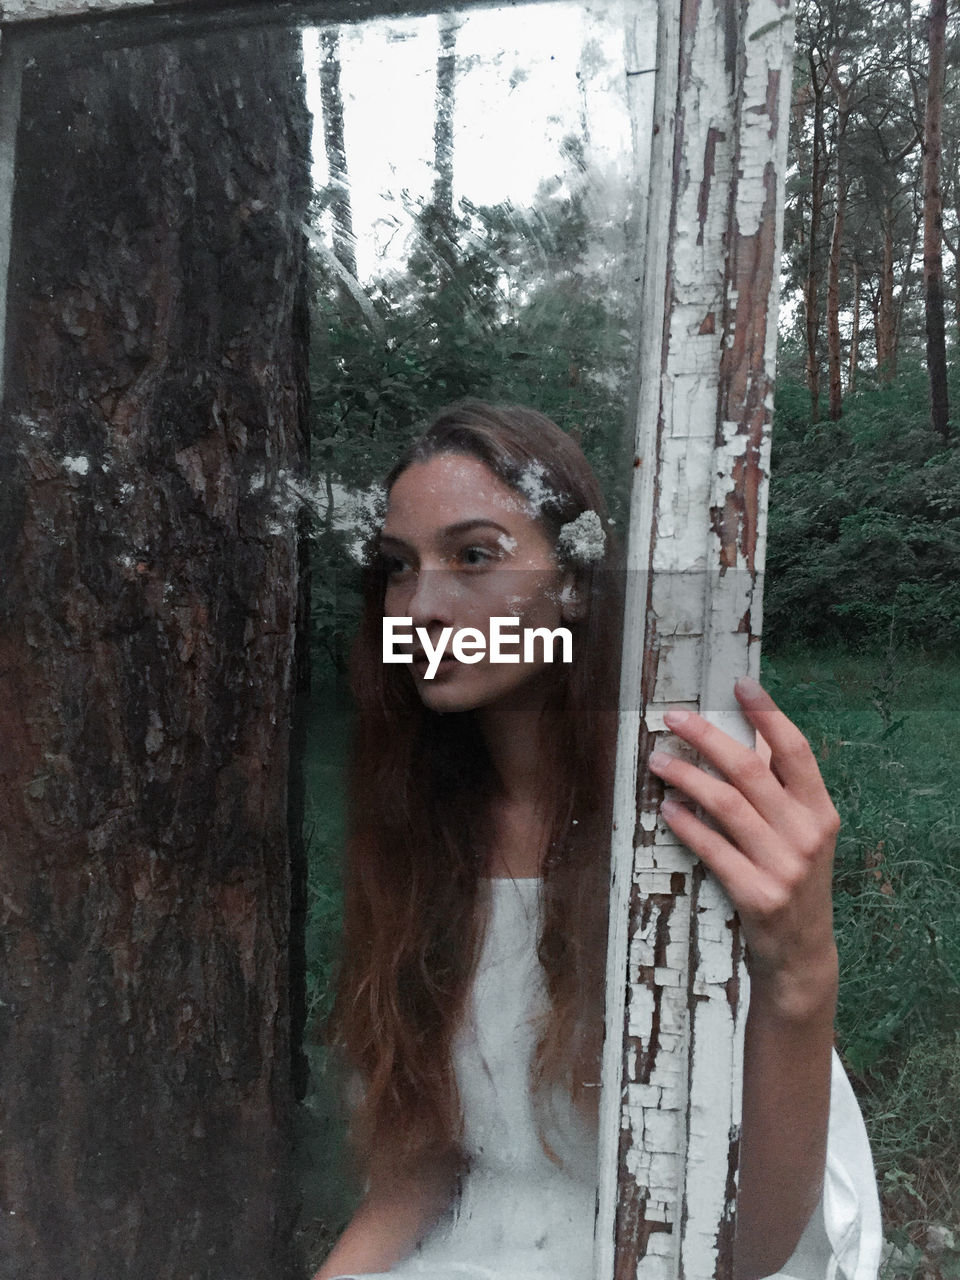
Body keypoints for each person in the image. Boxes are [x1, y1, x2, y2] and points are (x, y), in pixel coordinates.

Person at [312, 402, 882, 1280]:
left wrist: (801, 971)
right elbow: (415, 1175)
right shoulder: (420, 834)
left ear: (576, 582)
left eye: (474, 556)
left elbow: (753, 1244)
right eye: (397, 569)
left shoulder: (684, 815)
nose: (420, 608)